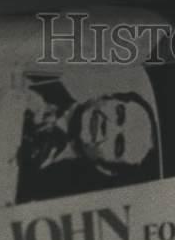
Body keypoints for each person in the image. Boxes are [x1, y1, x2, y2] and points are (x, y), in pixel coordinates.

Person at [14, 72, 161, 203]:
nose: (109, 127)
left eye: (118, 145)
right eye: (119, 114)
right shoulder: (36, 74)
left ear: (105, 169)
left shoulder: (36, 197)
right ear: (106, 96)